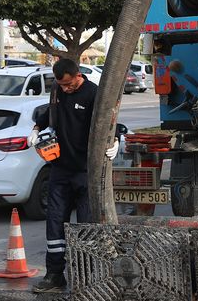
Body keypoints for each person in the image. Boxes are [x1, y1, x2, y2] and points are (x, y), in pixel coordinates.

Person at [30, 58, 119, 294]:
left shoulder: (94, 94)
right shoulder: (58, 91)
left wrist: (115, 140)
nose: (66, 89)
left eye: (68, 84)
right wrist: (37, 128)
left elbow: (110, 120)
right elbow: (50, 112)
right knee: (55, 223)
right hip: (60, 169)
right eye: (62, 85)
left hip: (85, 172)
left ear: (78, 75)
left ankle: (86, 278)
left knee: (86, 227)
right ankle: (55, 275)